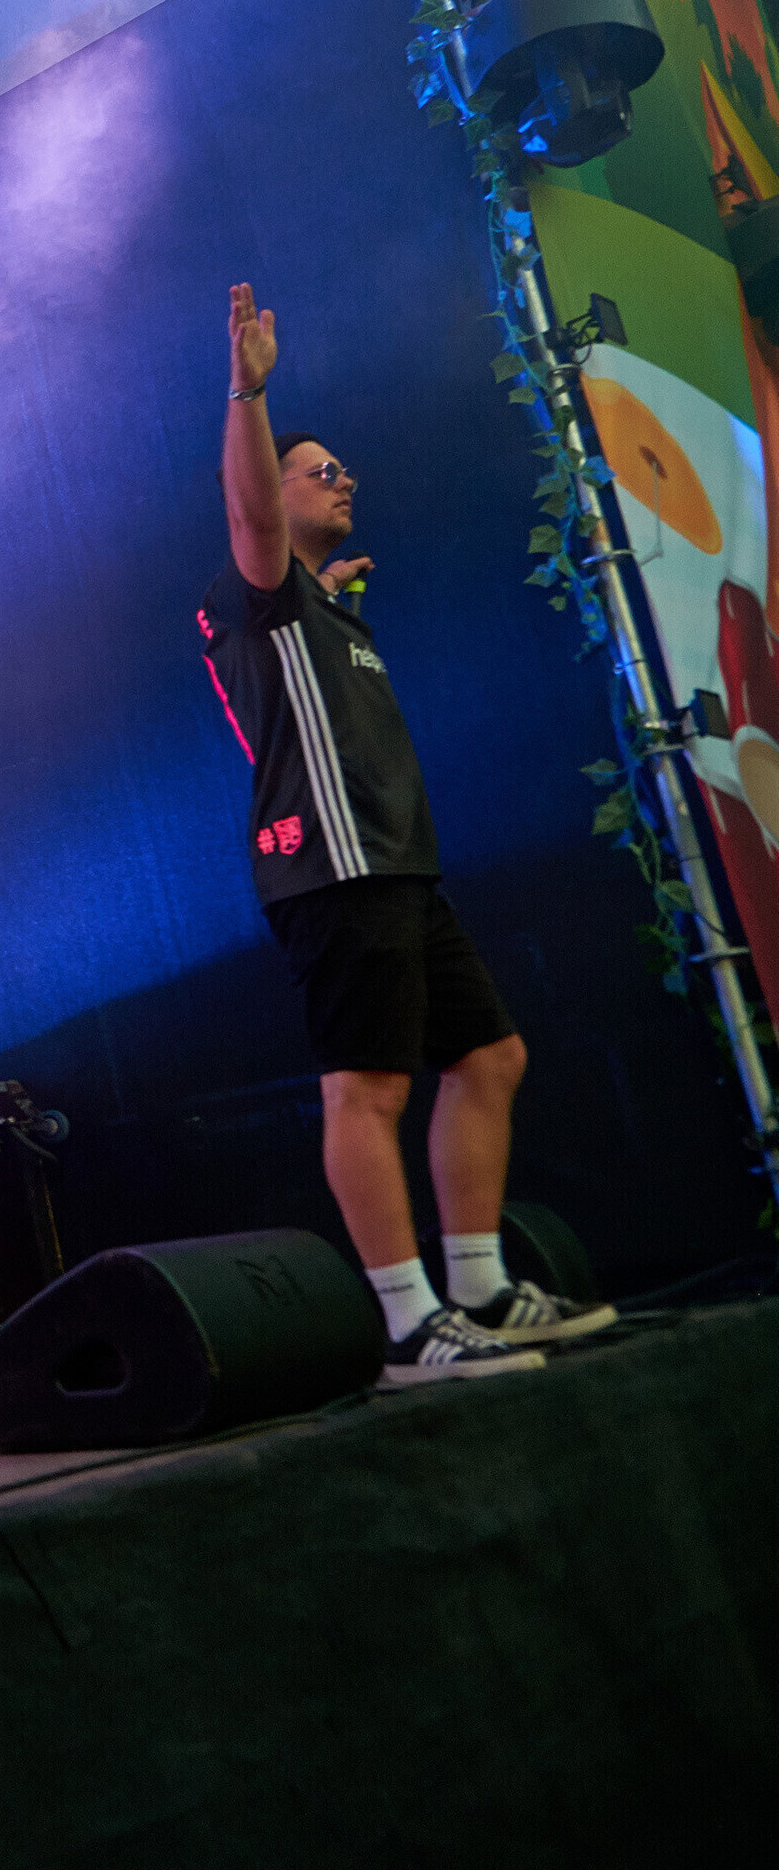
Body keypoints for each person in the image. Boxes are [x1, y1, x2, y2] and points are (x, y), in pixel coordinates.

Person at [205, 282, 613, 1388]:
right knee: (368, 1088)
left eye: (344, 469)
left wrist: (329, 591)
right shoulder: (260, 590)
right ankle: (405, 1324)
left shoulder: (322, 604)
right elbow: (250, 520)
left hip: (398, 866)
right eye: (318, 470)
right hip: (334, 867)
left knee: (488, 1057)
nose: (344, 479)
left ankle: (477, 1288)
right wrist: (247, 391)